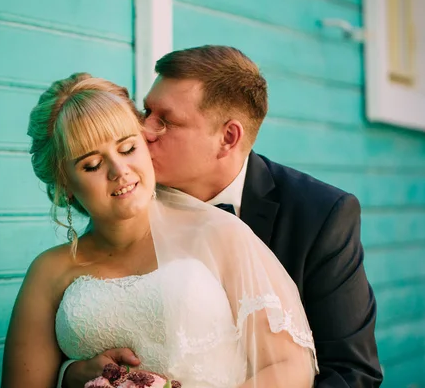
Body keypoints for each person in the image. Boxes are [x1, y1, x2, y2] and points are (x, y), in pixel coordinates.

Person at [60, 45, 383, 387]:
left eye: (165, 121)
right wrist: (71, 373)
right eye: (146, 111)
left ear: (228, 138)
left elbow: (353, 374)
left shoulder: (321, 215)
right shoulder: (128, 194)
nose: (144, 131)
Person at [1, 72, 318, 388]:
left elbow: (288, 366)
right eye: (92, 165)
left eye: (127, 149)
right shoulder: (48, 272)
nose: (119, 171)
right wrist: (68, 377)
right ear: (66, 184)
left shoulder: (218, 234)